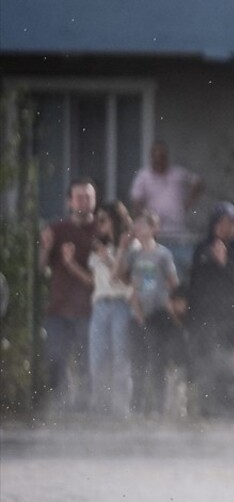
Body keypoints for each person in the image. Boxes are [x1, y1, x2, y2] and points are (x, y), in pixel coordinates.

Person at [188, 201, 234, 412]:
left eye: (231, 223)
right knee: (207, 362)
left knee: (230, 364)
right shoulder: (202, 248)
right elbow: (195, 283)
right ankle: (207, 407)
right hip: (207, 318)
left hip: (233, 317)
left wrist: (224, 262)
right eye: (222, 222)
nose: (226, 228)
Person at [39, 177, 99, 414]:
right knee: (55, 359)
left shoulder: (100, 230)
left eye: (88, 197)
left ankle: (84, 408)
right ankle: (60, 405)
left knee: (86, 362)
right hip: (59, 307)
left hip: (89, 308)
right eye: (79, 197)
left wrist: (72, 262)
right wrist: (45, 246)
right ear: (69, 201)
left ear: (94, 200)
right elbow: (41, 267)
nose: (83, 201)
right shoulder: (57, 229)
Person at [117, 210, 180, 417]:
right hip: (138, 314)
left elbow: (173, 284)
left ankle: (160, 407)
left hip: (158, 314)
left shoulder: (162, 254)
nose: (138, 229)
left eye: (143, 225)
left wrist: (170, 307)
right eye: (137, 225)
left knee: (157, 362)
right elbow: (121, 277)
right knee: (138, 362)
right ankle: (136, 406)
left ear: (154, 229)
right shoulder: (134, 254)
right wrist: (122, 248)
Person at [87, 201, 135, 416]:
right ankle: (100, 404)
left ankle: (120, 407)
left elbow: (124, 279)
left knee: (121, 356)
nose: (99, 225)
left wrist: (110, 258)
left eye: (103, 220)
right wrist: (70, 265)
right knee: (97, 356)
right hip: (100, 304)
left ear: (114, 221)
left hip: (121, 304)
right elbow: (92, 279)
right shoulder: (98, 246)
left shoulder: (130, 246)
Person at [129, 141, 203, 278]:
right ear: (151, 157)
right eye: (156, 156)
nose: (159, 160)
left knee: (181, 275)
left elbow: (198, 182)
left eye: (162, 156)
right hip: (157, 236)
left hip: (179, 235)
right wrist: (143, 222)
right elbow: (136, 202)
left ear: (166, 157)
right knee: (158, 275)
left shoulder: (178, 173)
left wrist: (188, 204)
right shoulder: (143, 176)